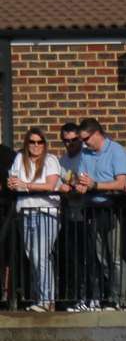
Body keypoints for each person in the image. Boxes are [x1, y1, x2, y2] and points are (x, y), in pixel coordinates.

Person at [72, 118, 126, 311]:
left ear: (97, 134)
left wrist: (95, 185)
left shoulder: (116, 151)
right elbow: (82, 179)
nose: (84, 142)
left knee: (115, 257)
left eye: (86, 138)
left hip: (113, 208)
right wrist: (79, 186)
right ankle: (107, 296)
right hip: (92, 209)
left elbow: (121, 183)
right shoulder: (85, 153)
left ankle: (118, 300)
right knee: (100, 257)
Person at [7, 128, 63, 312]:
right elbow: (15, 182)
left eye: (40, 142)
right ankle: (43, 298)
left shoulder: (50, 160)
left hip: (46, 212)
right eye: (32, 142)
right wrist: (13, 184)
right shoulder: (19, 159)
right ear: (26, 143)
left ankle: (47, 300)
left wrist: (25, 185)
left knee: (41, 256)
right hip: (25, 212)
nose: (36, 145)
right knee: (33, 256)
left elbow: (50, 185)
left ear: (45, 144)